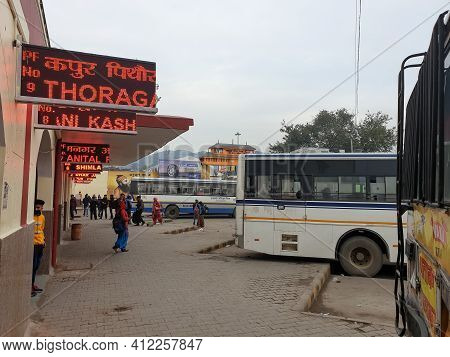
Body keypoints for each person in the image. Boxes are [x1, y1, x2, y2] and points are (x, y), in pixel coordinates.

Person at [32, 199, 46, 297]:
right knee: (33, 266)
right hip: (33, 244)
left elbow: (42, 229)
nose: (37, 209)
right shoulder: (31, 217)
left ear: (42, 208)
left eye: (39, 208)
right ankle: (30, 286)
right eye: (36, 207)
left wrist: (43, 241)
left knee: (37, 265)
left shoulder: (42, 217)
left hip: (40, 244)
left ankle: (32, 284)